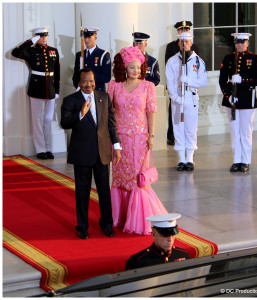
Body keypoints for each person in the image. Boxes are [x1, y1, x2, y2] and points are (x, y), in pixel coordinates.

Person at [107, 46, 167, 236]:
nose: (136, 71)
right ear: (124, 67)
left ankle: (140, 220)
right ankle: (120, 216)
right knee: (120, 177)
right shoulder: (114, 86)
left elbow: (151, 112)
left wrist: (151, 136)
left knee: (137, 179)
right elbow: (109, 113)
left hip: (140, 139)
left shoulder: (147, 86)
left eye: (139, 67)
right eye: (132, 67)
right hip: (119, 140)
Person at [61, 68, 121, 239]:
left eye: (92, 80)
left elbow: (111, 124)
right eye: (85, 81)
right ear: (79, 83)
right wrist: (80, 114)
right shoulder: (70, 100)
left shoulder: (104, 97)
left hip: (102, 153)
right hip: (82, 154)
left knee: (104, 192)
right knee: (82, 193)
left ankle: (107, 224)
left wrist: (116, 146)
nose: (89, 84)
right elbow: (64, 122)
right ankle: (82, 226)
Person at [12, 26, 60, 160]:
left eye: (45, 36)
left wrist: (57, 89)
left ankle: (49, 148)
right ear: (36, 37)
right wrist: (30, 41)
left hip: (50, 89)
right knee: (37, 120)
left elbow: (57, 71)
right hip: (36, 88)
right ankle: (40, 149)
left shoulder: (53, 51)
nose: (44, 38)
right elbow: (15, 53)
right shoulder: (30, 51)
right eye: (40, 36)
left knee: (48, 120)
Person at [219, 33, 257, 173]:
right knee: (234, 132)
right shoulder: (228, 58)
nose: (240, 44)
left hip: (247, 101)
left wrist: (243, 80)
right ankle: (236, 160)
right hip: (232, 101)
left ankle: (245, 161)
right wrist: (228, 96)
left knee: (245, 132)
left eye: (242, 42)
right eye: (237, 42)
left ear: (247, 43)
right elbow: (222, 80)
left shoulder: (255, 58)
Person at [166, 32, 208, 172]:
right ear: (178, 43)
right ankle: (181, 159)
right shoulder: (172, 61)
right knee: (178, 127)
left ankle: (189, 158)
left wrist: (189, 81)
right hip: (178, 98)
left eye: (187, 41)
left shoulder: (198, 61)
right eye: (181, 41)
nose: (184, 44)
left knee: (190, 129)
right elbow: (170, 82)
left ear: (191, 43)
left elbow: (203, 81)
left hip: (191, 98)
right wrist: (175, 97)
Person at [165, 21, 199, 146]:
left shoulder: (194, 47)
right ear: (178, 32)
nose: (184, 31)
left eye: (186, 29)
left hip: (190, 86)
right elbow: (168, 66)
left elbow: (197, 68)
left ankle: (188, 136)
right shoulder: (171, 46)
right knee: (174, 111)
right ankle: (172, 135)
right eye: (181, 29)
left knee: (190, 113)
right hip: (176, 85)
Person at [125, 213, 190, 270]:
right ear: (153, 235)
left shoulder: (183, 254)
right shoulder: (138, 261)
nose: (170, 239)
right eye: (165, 235)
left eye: (172, 235)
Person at [72, 27, 111, 92]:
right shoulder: (79, 54)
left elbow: (106, 77)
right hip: (82, 91)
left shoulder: (103, 54)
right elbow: (76, 74)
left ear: (95, 38)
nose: (86, 40)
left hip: (97, 91)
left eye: (89, 37)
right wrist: (77, 86)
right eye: (85, 37)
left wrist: (88, 79)